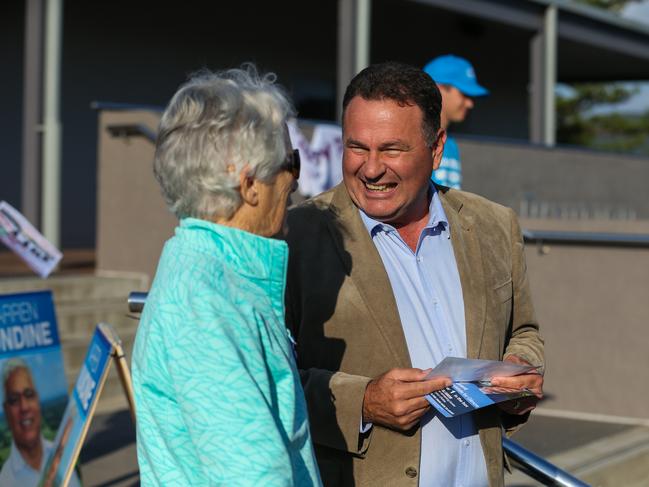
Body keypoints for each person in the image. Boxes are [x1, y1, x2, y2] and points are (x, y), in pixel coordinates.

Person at [284, 62, 544, 487]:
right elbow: (264, 381)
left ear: (436, 147)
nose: (370, 168)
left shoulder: (495, 225)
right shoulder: (296, 237)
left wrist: (521, 370)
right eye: (356, 147)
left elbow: (524, 331)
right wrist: (363, 402)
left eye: (391, 149)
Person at [131, 66, 322, 486]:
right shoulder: (207, 300)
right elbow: (253, 475)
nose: (294, 179)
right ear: (250, 183)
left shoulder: (214, 274)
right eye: (290, 162)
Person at [0, 359, 80, 487]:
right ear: (6, 410)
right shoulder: (5, 479)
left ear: (37, 400)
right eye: (14, 399)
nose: (24, 407)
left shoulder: (62, 455)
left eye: (29, 394)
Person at [423, 54, 489, 189]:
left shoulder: (451, 144)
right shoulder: (415, 139)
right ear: (439, 88)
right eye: (464, 94)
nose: (470, 104)